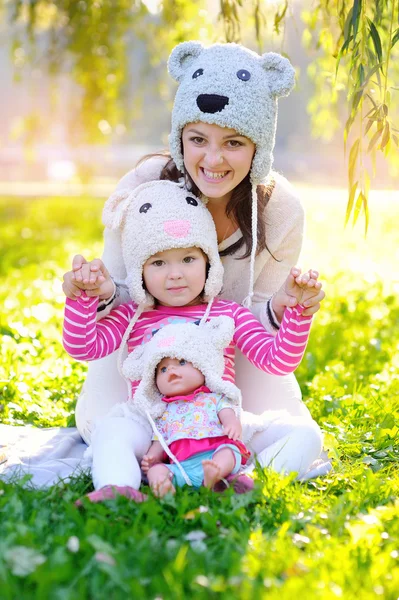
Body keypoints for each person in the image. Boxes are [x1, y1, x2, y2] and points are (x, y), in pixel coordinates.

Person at [62, 41, 325, 452]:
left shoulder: (282, 209)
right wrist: (94, 293)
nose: (213, 159)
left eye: (234, 143)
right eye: (198, 139)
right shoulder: (144, 186)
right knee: (104, 427)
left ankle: (214, 458)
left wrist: (284, 307)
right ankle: (166, 452)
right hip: (145, 345)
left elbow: (258, 317)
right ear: (180, 137)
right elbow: (124, 293)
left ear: (259, 149)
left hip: (230, 346)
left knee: (282, 431)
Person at [63, 180, 323, 502]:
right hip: (153, 425)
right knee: (110, 431)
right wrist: (82, 299)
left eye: (188, 259)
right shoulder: (133, 316)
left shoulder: (227, 314)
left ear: (208, 263)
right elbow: (83, 347)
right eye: (158, 262)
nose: (175, 274)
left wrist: (297, 312)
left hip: (220, 422)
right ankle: (120, 488)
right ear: (139, 270)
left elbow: (277, 361)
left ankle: (249, 482)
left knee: (307, 434)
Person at [131, 317, 252, 497]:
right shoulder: (163, 412)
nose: (171, 371)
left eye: (181, 362)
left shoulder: (213, 398)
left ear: (201, 366)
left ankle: (215, 473)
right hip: (182, 467)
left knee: (229, 452)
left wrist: (232, 423)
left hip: (214, 453)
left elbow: (227, 413)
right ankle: (164, 489)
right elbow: (160, 440)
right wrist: (152, 458)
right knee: (157, 471)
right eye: (163, 369)